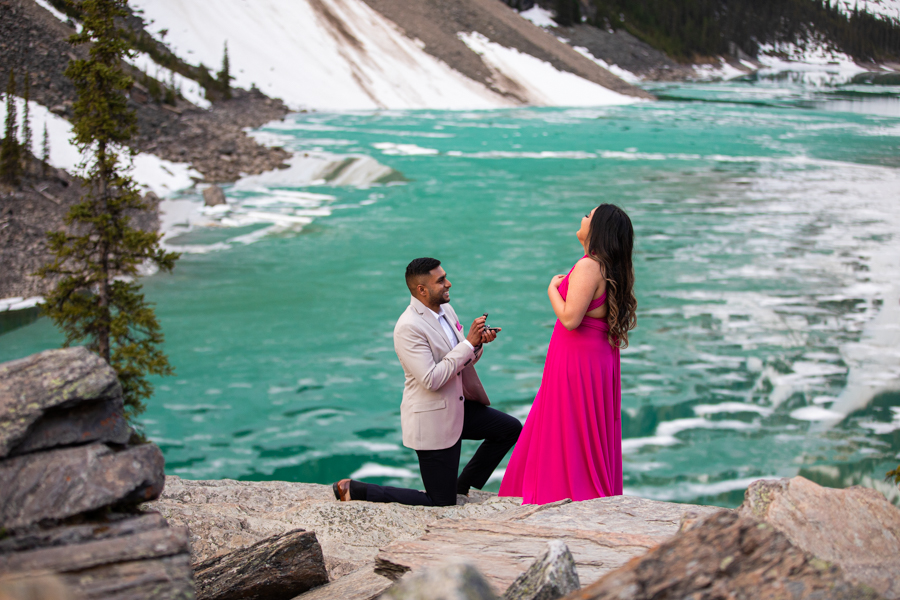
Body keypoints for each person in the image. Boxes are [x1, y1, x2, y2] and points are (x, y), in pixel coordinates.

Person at [333, 257, 522, 506]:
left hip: (456, 407)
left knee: (509, 429)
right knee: (440, 502)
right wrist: (467, 343)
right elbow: (431, 380)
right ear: (422, 290)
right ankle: (357, 489)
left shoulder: (446, 311)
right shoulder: (408, 327)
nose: (449, 284)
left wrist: (476, 345)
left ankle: (461, 486)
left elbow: (459, 362)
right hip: (431, 418)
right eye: (441, 280)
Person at [499, 204, 637, 505]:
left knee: (568, 422)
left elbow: (571, 318)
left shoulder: (590, 265)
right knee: (578, 426)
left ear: (598, 228)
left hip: (577, 358)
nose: (582, 218)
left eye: (588, 215)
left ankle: (561, 491)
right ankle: (570, 486)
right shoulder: (609, 267)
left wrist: (550, 288)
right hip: (594, 357)